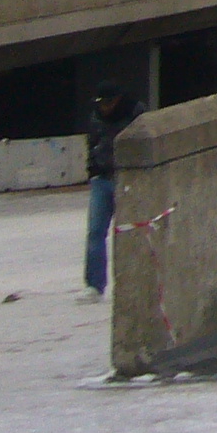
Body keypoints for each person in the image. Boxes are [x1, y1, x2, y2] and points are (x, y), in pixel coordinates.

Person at [82, 86, 140, 300]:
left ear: (117, 99)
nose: (104, 108)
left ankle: (135, 282)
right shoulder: (96, 117)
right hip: (101, 179)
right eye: (100, 104)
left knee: (132, 231)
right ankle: (94, 285)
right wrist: (93, 170)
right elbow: (92, 143)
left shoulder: (135, 113)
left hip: (127, 179)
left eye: (107, 102)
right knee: (95, 232)